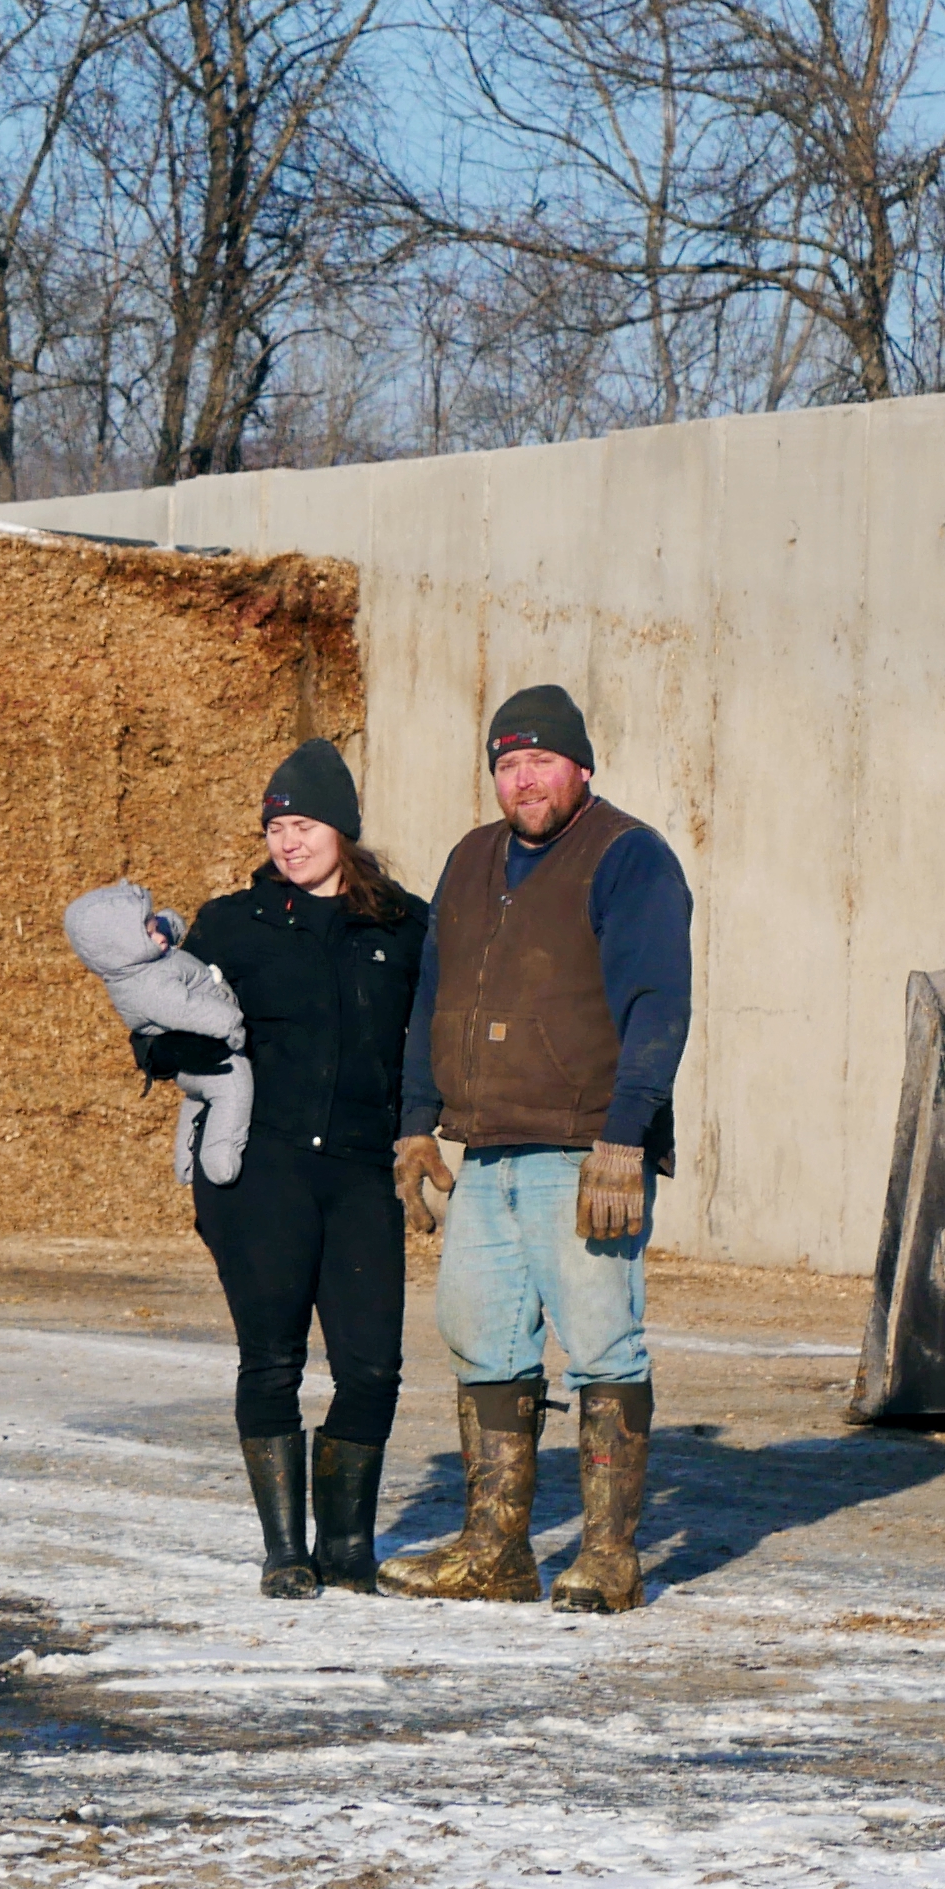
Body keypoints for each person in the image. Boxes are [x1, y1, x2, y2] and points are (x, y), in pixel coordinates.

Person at [379, 683, 692, 1615]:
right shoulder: (471, 860)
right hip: (488, 1149)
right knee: (479, 1337)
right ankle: (494, 1552)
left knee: (602, 1344)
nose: (524, 781)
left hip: (585, 1150)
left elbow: (657, 1007)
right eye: (507, 766)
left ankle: (607, 1559)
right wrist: (415, 1120)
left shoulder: (629, 857)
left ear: (580, 766)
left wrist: (625, 1140)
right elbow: (432, 996)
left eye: (541, 761)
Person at [156, 738, 428, 1597]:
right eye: (275, 827)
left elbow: (431, 1041)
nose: (287, 842)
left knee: (372, 1366)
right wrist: (173, 1047)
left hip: (361, 1173)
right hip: (260, 1172)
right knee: (270, 1360)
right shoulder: (230, 924)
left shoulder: (404, 925)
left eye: (303, 824)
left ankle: (347, 1548)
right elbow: (161, 1019)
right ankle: (286, 1551)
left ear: (343, 829)